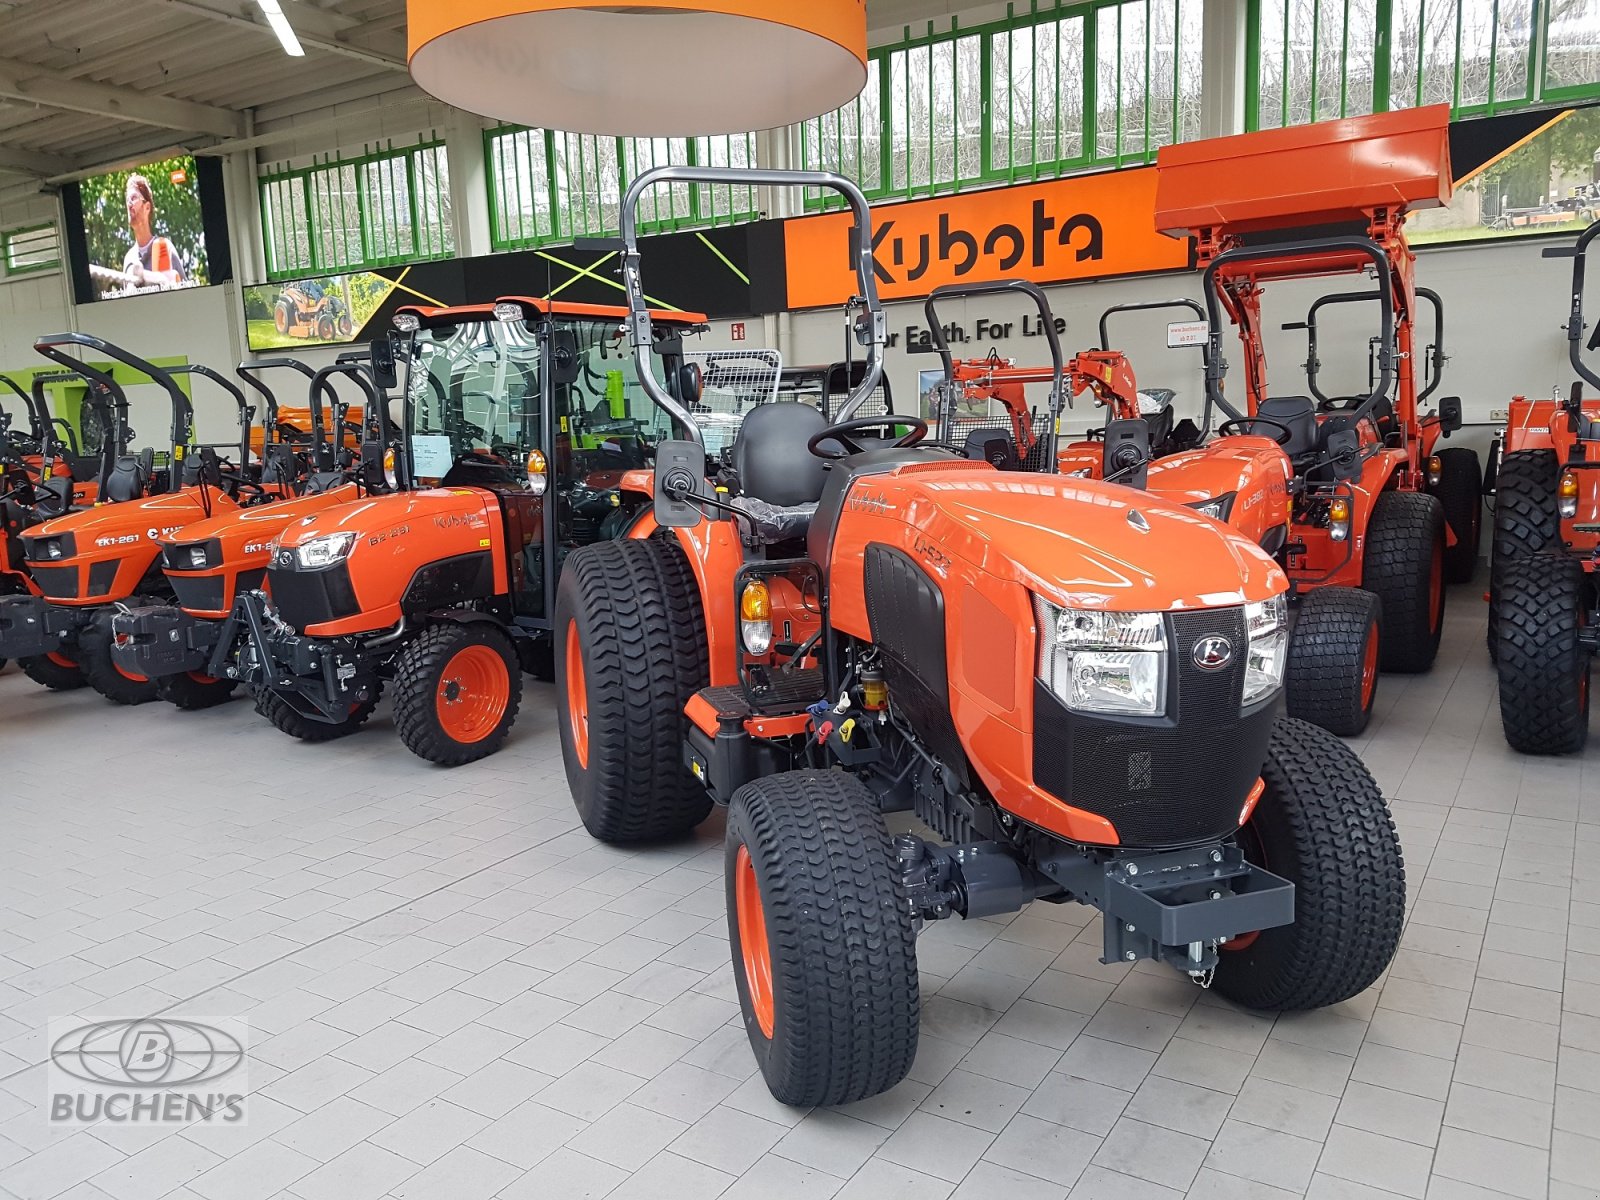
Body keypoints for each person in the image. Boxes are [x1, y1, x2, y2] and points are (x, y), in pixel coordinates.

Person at [119, 175, 186, 290]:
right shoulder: (129, 259)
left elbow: (187, 292)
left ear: (147, 207)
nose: (129, 204)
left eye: (134, 198)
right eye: (127, 200)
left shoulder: (165, 247)